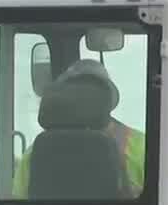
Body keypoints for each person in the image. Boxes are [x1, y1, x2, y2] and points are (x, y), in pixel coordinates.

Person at [11, 59, 146, 198]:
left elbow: (18, 203)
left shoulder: (34, 153)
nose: (82, 99)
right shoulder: (143, 147)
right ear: (110, 99)